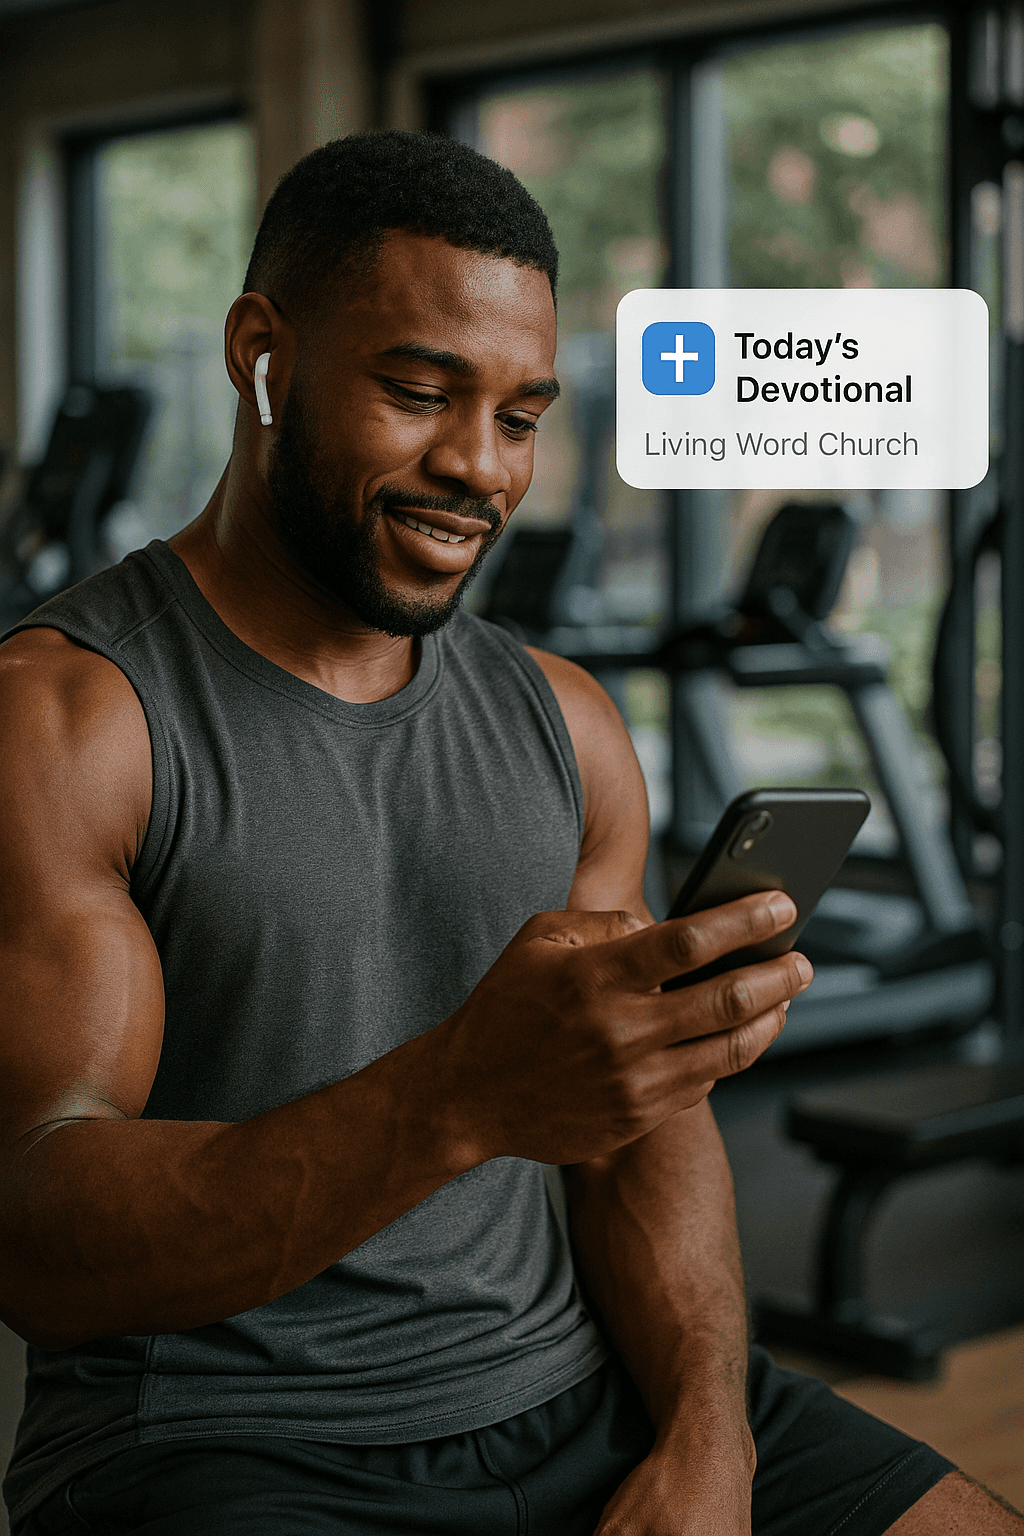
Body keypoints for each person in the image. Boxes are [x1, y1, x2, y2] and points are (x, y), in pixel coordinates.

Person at [0, 130, 1017, 1536]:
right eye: (419, 392)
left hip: (584, 1394)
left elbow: (644, 1128)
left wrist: (709, 1437)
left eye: (522, 418)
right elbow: (34, 1228)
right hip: (234, 1450)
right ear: (263, 356)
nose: (478, 467)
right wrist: (461, 1095)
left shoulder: (568, 724)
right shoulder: (69, 722)